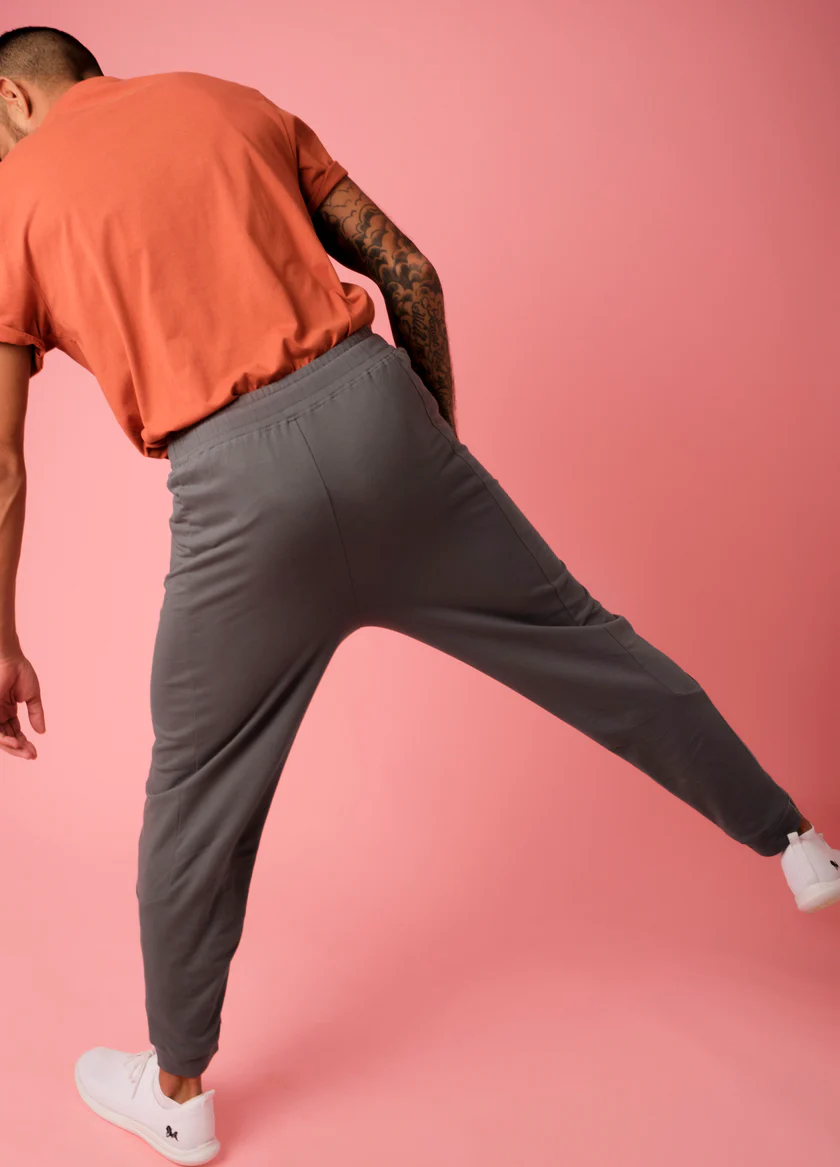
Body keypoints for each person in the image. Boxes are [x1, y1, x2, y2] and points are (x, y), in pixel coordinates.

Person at [0, 23, 836, 1166]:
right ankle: (796, 840)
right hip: (382, 419)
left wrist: (2, 635)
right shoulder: (231, 101)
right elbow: (408, 272)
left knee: (195, 794)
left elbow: (2, 463)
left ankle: (179, 1092)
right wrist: (429, 459)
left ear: (11, 101)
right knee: (587, 644)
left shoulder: (14, 198)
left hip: (238, 495)